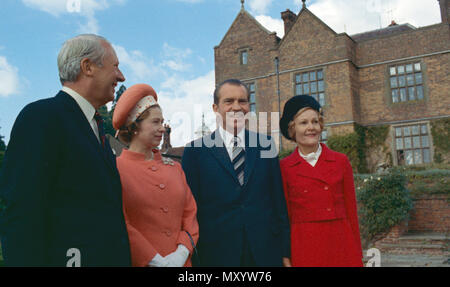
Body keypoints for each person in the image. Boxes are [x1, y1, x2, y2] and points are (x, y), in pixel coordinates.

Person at [0, 34, 131, 266]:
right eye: (116, 67)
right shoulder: (41, 118)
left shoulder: (98, 129)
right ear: (88, 67)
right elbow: (22, 215)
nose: (121, 77)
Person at [182, 79, 291, 267]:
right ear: (215, 108)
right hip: (216, 254)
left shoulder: (265, 145)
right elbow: (189, 210)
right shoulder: (195, 151)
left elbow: (278, 203)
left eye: (242, 101)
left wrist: (285, 252)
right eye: (229, 101)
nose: (236, 107)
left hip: (264, 252)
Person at [112, 83, 199, 267]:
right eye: (155, 122)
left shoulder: (175, 168)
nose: (162, 128)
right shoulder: (115, 169)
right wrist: (155, 260)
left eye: (162, 122)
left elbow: (190, 215)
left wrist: (181, 253)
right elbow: (120, 221)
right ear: (135, 126)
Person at [279, 95, 363, 267]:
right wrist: (285, 257)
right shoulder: (284, 167)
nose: (311, 128)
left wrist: (357, 253)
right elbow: (283, 218)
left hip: (341, 243)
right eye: (304, 123)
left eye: (315, 122)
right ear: (292, 129)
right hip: (304, 246)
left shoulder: (341, 161)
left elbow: (351, 212)